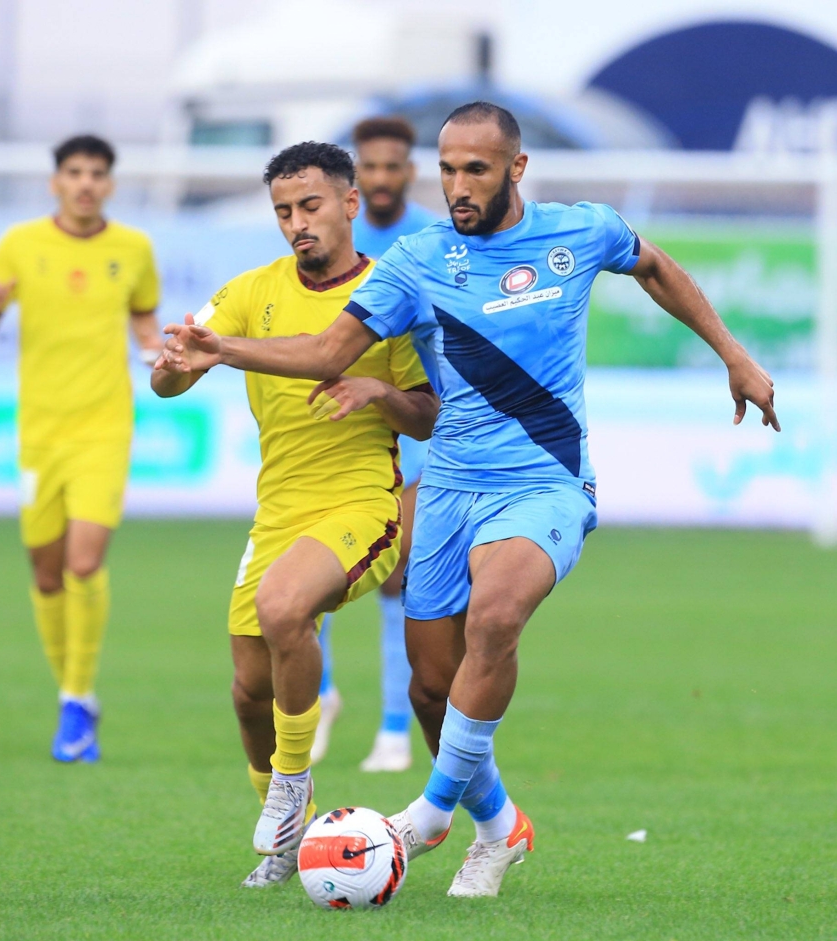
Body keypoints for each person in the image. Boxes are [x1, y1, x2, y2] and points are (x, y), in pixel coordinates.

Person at [158, 102, 779, 898]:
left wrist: (733, 354)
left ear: (516, 169)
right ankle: (499, 826)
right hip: (450, 486)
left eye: (475, 170)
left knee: (495, 615)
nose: (458, 185)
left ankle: (423, 815)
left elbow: (655, 266)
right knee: (431, 687)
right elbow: (324, 351)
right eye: (448, 169)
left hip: (545, 479)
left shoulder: (579, 231)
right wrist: (222, 349)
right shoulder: (417, 259)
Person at [151, 141, 437, 888]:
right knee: (249, 692)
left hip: (360, 505)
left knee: (284, 607)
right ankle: (290, 835)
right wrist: (174, 367)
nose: (296, 223)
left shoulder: (389, 293)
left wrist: (381, 392)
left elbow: (430, 414)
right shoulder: (251, 290)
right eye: (283, 211)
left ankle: (291, 779)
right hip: (276, 514)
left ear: (349, 203)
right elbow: (171, 377)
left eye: (310, 205)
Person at [0, 134, 163, 763]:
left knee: (83, 563)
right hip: (40, 433)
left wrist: (159, 352)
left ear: (110, 184)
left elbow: (144, 321)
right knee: (47, 574)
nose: (86, 183)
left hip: (104, 427)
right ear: (56, 182)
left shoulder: (133, 248)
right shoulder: (20, 243)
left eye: (97, 173)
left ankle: (77, 698)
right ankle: (72, 695)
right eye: (75, 172)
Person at [313, 116, 439, 773]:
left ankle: (393, 729)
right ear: (354, 178)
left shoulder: (435, 239)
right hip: (343, 429)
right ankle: (321, 693)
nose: (383, 177)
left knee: (396, 576)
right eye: (372, 167)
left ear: (410, 171)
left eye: (394, 166)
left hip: (411, 424)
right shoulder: (335, 240)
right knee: (312, 573)